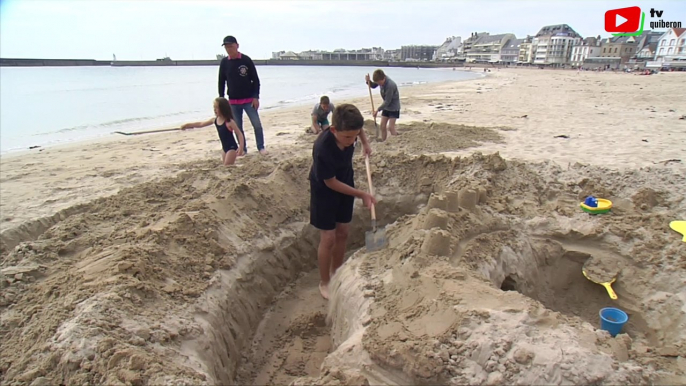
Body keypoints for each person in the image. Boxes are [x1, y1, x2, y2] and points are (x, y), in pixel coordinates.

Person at [309, 103, 374, 300]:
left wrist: (364, 143)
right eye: (347, 137)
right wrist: (361, 194)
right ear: (334, 129)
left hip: (345, 179)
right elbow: (330, 183)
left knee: (343, 232)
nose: (351, 140)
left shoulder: (351, 131)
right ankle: (325, 281)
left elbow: (358, 128)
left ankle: (336, 273)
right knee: (328, 237)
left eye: (354, 136)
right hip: (325, 189)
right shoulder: (323, 149)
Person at [218, 35, 266, 155]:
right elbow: (221, 81)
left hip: (249, 100)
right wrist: (221, 99)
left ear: (237, 46)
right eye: (227, 47)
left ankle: (261, 147)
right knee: (237, 128)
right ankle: (243, 149)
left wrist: (256, 97)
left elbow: (255, 80)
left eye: (231, 46)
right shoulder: (224, 62)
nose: (229, 49)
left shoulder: (246, 60)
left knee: (257, 125)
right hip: (233, 101)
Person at [181, 97, 245, 166]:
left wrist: (241, 147)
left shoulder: (229, 122)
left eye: (216, 108)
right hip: (224, 148)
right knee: (225, 165)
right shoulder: (215, 120)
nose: (214, 110)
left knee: (228, 165)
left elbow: (239, 134)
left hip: (232, 148)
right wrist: (188, 125)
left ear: (223, 108)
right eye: (214, 107)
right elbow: (201, 124)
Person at [365, 69, 400, 141]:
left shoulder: (390, 85)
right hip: (386, 108)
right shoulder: (380, 80)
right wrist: (368, 81)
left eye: (379, 82)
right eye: (378, 82)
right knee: (382, 126)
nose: (379, 84)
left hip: (394, 108)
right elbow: (373, 85)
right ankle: (384, 141)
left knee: (391, 127)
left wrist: (377, 110)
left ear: (383, 78)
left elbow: (387, 101)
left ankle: (397, 140)